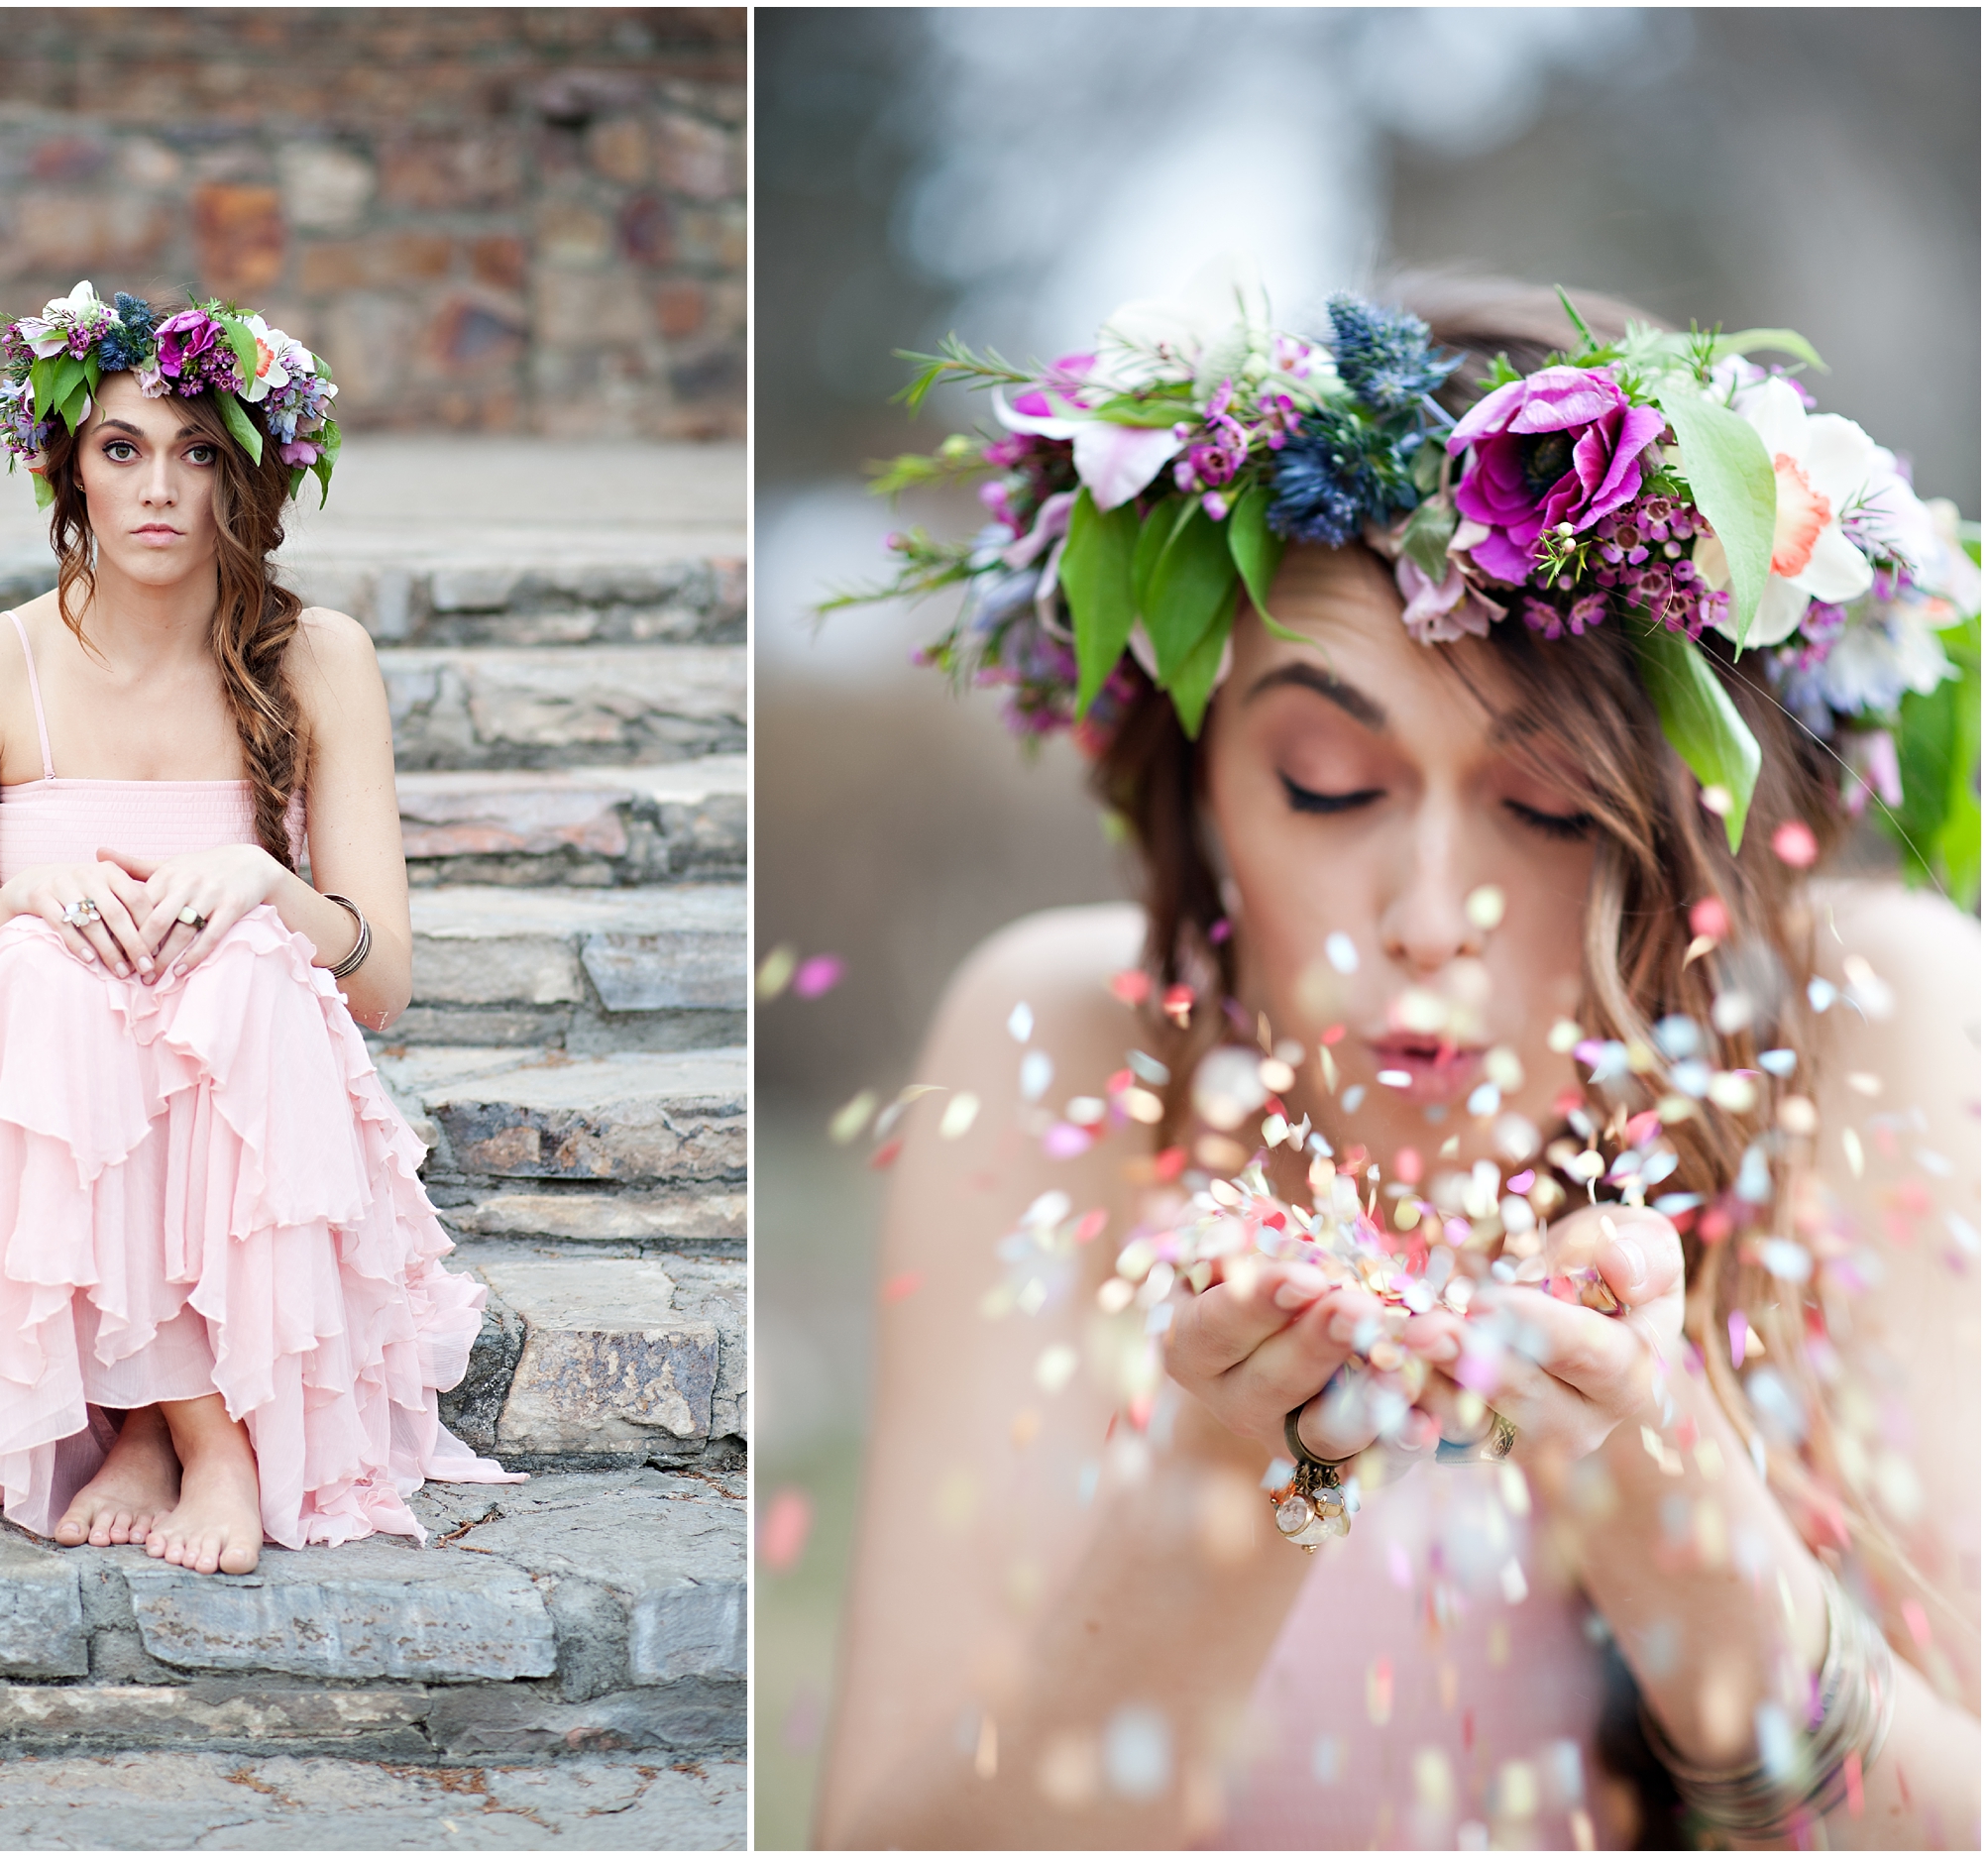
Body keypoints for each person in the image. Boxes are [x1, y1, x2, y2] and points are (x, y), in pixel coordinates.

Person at [817, 280, 1979, 1846]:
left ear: (1697, 814)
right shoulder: (1063, 1042)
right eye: (1327, 783)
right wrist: (1230, 1478)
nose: (1431, 919)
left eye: (1555, 808)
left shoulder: (1868, 1015)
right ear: (1197, 788)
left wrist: (1677, 1519)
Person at [0, 283, 518, 1578]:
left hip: (235, 1121)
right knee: (49, 981)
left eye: (199, 452)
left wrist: (269, 886)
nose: (160, 487)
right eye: (123, 449)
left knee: (253, 968)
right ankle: (200, 1430)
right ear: (70, 469)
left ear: (247, 478)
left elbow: (381, 979)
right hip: (39, 1113)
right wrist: (23, 900)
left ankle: (154, 1429)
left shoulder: (315, 657)